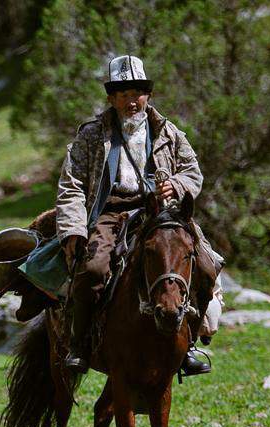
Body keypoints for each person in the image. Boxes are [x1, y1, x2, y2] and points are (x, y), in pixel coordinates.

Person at [55, 54, 223, 374]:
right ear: (111, 98)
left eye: (136, 94)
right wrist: (74, 230)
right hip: (109, 212)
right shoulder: (91, 135)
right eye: (122, 94)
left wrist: (175, 185)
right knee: (92, 270)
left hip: (160, 214)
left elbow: (193, 172)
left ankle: (187, 346)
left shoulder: (168, 132)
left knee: (206, 265)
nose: (131, 101)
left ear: (147, 95)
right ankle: (80, 344)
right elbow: (71, 185)